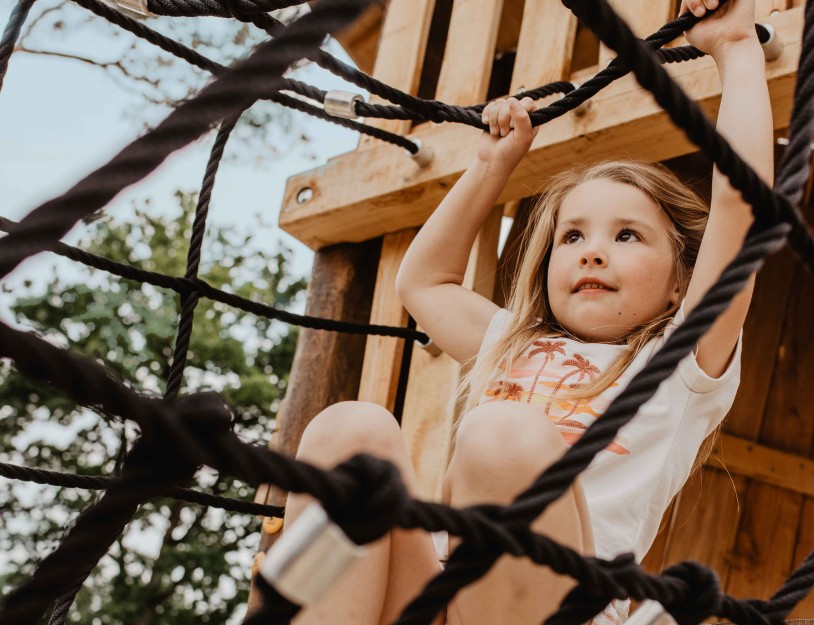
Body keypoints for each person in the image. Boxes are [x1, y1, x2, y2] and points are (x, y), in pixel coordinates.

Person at [281, 1, 772, 624]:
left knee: (502, 434)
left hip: (559, 605)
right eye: (572, 236)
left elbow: (742, 206)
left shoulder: (680, 363)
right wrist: (492, 166)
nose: (593, 251)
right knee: (349, 432)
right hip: (434, 598)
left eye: (627, 237)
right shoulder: (510, 342)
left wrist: (735, 46)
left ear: (681, 283)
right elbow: (423, 282)